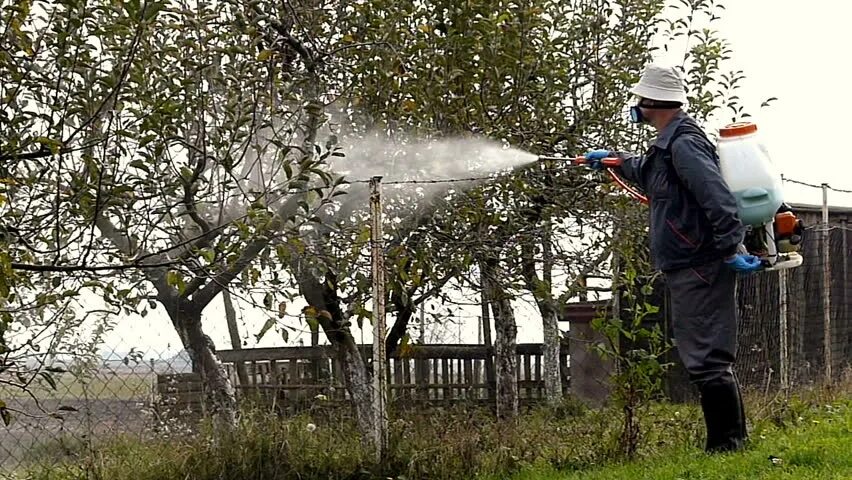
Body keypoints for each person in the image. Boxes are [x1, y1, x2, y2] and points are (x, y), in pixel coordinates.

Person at [583, 63, 761, 453]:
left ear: (651, 102)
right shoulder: (667, 144)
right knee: (703, 352)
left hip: (700, 263)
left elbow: (716, 197)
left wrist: (731, 247)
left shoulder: (683, 143)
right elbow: (650, 173)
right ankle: (730, 442)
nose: (636, 105)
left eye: (639, 99)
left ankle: (726, 445)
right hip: (689, 263)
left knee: (706, 354)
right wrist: (616, 160)